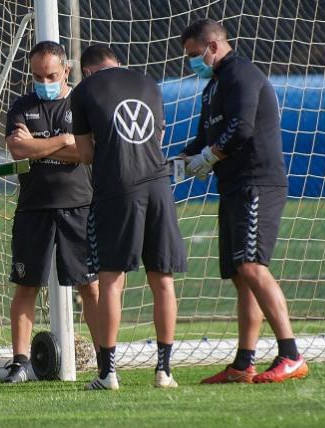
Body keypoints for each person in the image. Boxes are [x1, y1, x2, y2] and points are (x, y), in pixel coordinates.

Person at [179, 19, 308, 384]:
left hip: (257, 183)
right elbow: (205, 136)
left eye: (194, 55)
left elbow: (241, 128)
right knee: (240, 276)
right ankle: (243, 364)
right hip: (232, 185)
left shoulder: (242, 75)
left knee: (252, 267)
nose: (192, 62)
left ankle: (291, 355)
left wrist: (209, 157)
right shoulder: (213, 86)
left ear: (213, 46)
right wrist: (176, 160)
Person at [71, 45, 187, 390]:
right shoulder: (149, 83)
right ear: (118, 64)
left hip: (117, 188)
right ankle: (164, 371)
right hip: (158, 185)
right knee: (163, 278)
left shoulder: (83, 92)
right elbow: (159, 136)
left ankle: (108, 374)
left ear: (87, 71)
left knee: (111, 280)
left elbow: (86, 154)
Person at [3, 41, 100, 383]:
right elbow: (18, 149)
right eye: (38, 75)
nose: (44, 81)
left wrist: (40, 147)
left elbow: (85, 153)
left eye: (51, 75)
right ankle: (19, 362)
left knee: (89, 286)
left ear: (67, 71)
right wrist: (63, 141)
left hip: (79, 206)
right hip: (33, 209)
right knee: (26, 285)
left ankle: (105, 356)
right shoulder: (21, 106)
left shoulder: (82, 102)